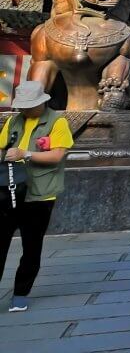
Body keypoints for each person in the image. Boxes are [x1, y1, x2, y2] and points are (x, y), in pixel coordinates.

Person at [0, 80, 74, 312]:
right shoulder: (13, 120)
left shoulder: (57, 122)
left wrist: (26, 154)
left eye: (28, 106)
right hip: (9, 192)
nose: (24, 110)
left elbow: (57, 156)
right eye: (21, 106)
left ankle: (20, 293)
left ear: (41, 103)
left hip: (39, 195)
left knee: (31, 247)